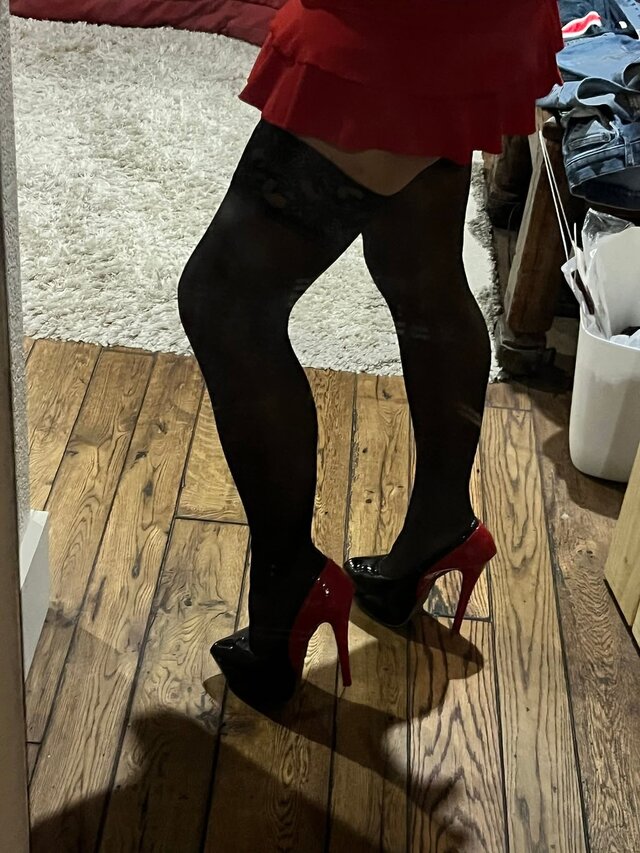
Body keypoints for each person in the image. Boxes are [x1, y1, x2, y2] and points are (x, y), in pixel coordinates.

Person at [177, 0, 564, 706]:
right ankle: (440, 523)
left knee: (225, 300)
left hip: (397, 30)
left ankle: (289, 584)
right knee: (418, 268)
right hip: (456, 24)